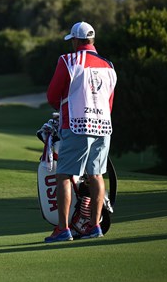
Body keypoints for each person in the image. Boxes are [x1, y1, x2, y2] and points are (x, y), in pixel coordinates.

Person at [44, 21, 117, 243]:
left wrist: (63, 107)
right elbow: (110, 101)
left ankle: (63, 229)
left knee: (64, 175)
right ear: (92, 41)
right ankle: (95, 226)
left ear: (76, 40)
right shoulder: (109, 65)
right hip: (104, 125)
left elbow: (52, 96)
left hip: (77, 124)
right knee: (96, 174)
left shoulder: (68, 60)